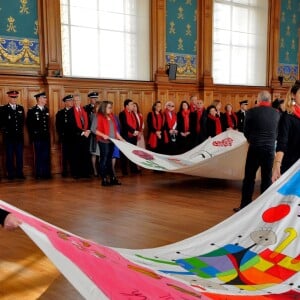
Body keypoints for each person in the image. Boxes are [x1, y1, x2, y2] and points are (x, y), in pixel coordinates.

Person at [234, 91, 280, 212]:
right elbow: (277, 133)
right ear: (269, 100)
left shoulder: (251, 112)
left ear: (258, 100)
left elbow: (245, 131)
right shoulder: (276, 113)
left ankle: (245, 206)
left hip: (255, 148)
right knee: (266, 178)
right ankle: (264, 207)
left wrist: (252, 140)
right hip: (269, 149)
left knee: (249, 178)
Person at [272, 80, 300, 182]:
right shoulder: (287, 117)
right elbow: (282, 143)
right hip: (291, 167)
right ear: (293, 95)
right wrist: (277, 164)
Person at [92, 101, 124, 186]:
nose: (111, 109)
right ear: (104, 108)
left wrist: (121, 139)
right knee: (104, 160)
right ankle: (104, 179)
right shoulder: (98, 116)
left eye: (111, 107)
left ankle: (113, 178)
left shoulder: (112, 116)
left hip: (112, 141)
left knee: (110, 160)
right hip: (103, 141)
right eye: (109, 107)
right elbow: (93, 129)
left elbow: (115, 130)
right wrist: (103, 135)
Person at [1, 91, 25, 180]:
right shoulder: (3, 109)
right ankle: (10, 173)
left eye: (15, 97)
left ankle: (19, 173)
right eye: (12, 97)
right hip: (9, 138)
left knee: (19, 156)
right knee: (9, 156)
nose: (14, 99)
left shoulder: (20, 108)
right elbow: (2, 123)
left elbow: (22, 122)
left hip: (19, 137)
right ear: (9, 98)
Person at [26, 92, 51, 179]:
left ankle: (46, 173)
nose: (46, 99)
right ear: (39, 99)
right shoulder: (32, 110)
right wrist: (33, 136)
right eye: (44, 98)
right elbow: (29, 125)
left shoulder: (46, 110)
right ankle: (39, 174)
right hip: (37, 138)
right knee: (38, 156)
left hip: (46, 137)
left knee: (46, 155)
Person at [55, 94, 76, 177]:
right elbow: (58, 126)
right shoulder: (60, 113)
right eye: (70, 101)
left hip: (74, 137)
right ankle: (64, 171)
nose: (71, 102)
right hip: (65, 138)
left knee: (74, 155)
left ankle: (74, 171)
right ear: (65, 102)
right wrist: (61, 135)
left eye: (72, 100)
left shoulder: (75, 111)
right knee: (65, 155)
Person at [72, 94, 91, 179]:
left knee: (85, 155)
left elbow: (89, 121)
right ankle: (77, 173)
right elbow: (72, 125)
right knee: (76, 155)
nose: (76, 102)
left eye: (78, 100)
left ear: (80, 101)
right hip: (76, 136)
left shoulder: (84, 110)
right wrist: (82, 132)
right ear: (73, 101)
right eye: (75, 100)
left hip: (86, 136)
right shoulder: (71, 112)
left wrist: (88, 131)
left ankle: (85, 173)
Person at [119, 99, 140, 175]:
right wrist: (133, 131)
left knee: (133, 153)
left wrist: (136, 131)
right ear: (126, 106)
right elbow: (124, 124)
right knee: (125, 153)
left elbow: (137, 123)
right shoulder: (122, 113)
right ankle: (124, 171)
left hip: (133, 136)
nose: (133, 106)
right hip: (126, 136)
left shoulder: (133, 113)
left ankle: (133, 169)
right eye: (131, 104)